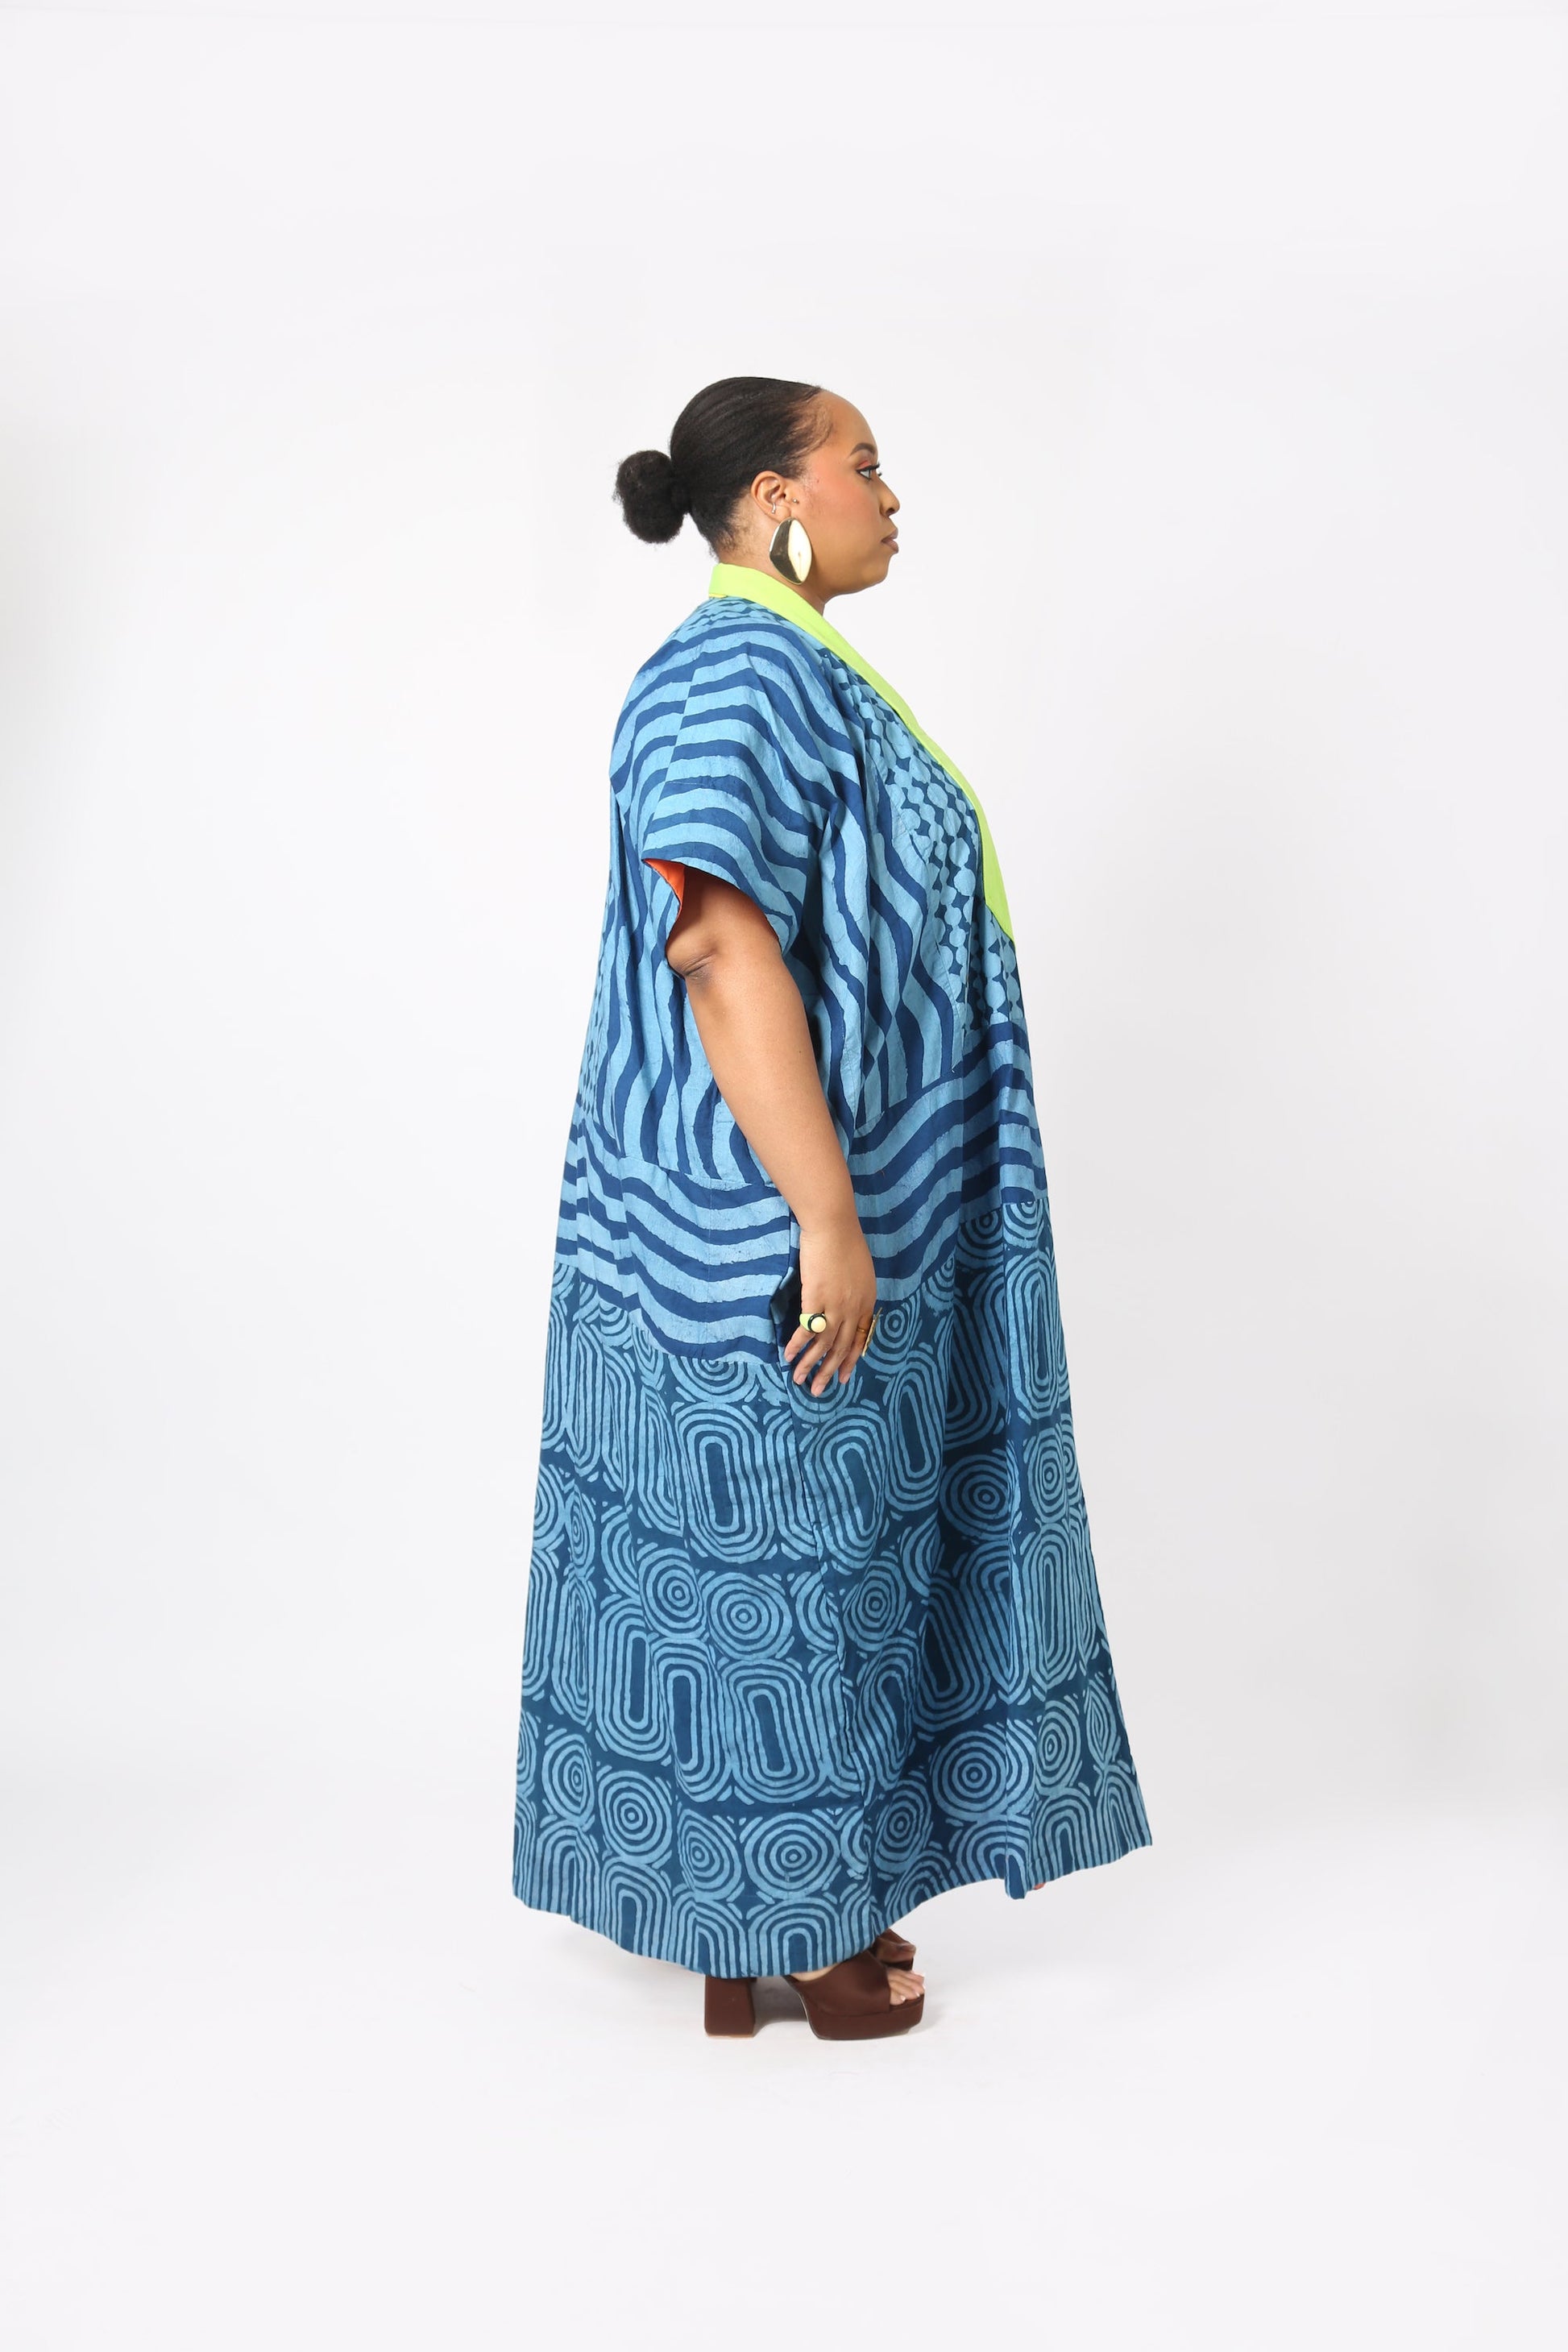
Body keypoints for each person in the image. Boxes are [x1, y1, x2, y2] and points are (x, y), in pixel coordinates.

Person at [511, 376, 1151, 2042]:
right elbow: (718, 941)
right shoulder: (737, 670)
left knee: (822, 1560)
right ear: (776, 500)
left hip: (823, 1201)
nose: (891, 492)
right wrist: (826, 1217)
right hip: (760, 1224)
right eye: (863, 462)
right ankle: (795, 1927)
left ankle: (792, 1906)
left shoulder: (793, 667)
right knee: (783, 1565)